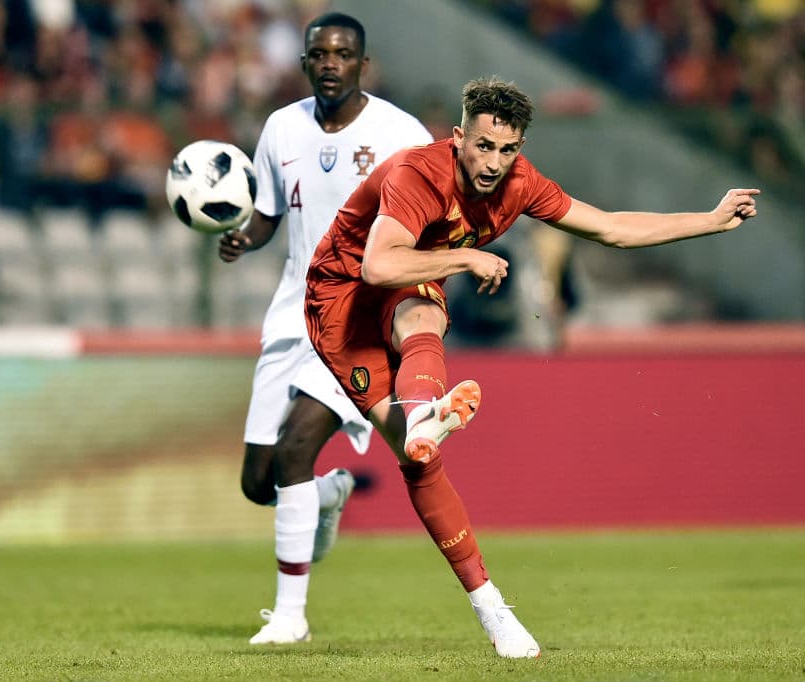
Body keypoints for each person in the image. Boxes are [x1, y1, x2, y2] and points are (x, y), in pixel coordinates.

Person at [304, 76, 759, 658]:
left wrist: (711, 219)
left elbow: (610, 227)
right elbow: (376, 265)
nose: (494, 162)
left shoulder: (520, 184)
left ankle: (491, 609)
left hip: (409, 286)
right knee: (416, 382)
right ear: (458, 136)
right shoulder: (420, 174)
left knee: (422, 365)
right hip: (340, 299)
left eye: (508, 148)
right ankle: (420, 419)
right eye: (484, 145)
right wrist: (469, 255)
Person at [217, 13, 433, 645]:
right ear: (305, 62)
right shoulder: (281, 127)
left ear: (363, 64)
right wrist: (241, 240)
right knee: (260, 482)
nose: (330, 62)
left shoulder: (400, 133)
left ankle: (290, 617)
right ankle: (332, 491)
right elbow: (266, 216)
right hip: (290, 315)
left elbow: (435, 210)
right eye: (319, 53)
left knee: (293, 450)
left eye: (343, 54)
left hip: (355, 321)